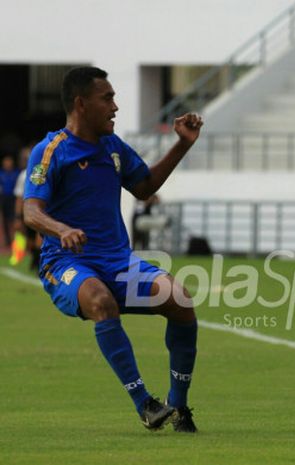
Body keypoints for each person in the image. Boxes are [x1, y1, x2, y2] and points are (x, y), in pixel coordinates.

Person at [23, 67, 202, 432]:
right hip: (67, 263)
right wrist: (61, 229)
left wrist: (182, 144)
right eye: (107, 98)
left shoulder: (113, 147)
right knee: (100, 301)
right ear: (81, 103)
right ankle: (145, 404)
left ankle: (179, 407)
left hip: (118, 262)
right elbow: (30, 210)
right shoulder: (51, 150)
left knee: (181, 300)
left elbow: (145, 186)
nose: (115, 107)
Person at [1, 154, 21, 247]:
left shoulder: (17, 173)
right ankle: (8, 241)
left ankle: (17, 242)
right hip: (4, 198)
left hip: (14, 199)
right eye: (6, 162)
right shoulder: (1, 173)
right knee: (5, 220)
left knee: (15, 220)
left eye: (9, 161)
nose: (8, 163)